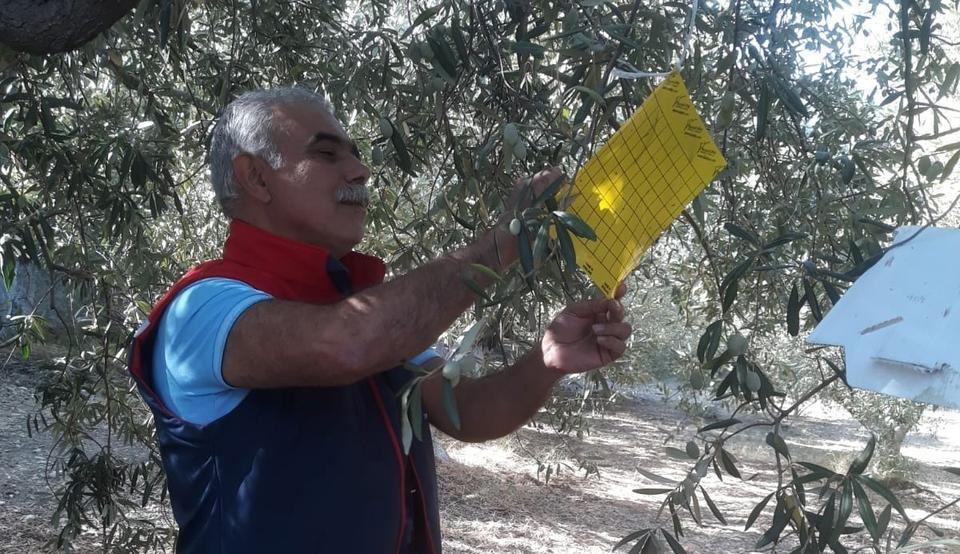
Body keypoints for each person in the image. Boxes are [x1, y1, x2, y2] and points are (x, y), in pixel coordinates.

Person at [127, 88, 632, 554]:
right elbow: (348, 344)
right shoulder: (203, 310)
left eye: (354, 152)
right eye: (326, 154)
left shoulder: (363, 307)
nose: (359, 170)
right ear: (255, 176)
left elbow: (467, 411)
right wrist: (502, 240)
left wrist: (545, 361)